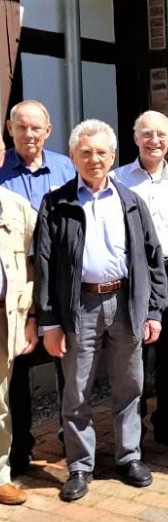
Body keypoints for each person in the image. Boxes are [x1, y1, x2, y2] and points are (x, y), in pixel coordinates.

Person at [34, 119, 167, 502]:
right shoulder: (57, 203)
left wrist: (154, 310)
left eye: (101, 152)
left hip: (126, 303)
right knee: (77, 390)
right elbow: (44, 264)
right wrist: (50, 321)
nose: (94, 159)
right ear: (74, 156)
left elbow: (153, 257)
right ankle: (79, 466)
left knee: (130, 386)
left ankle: (129, 457)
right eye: (85, 152)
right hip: (79, 307)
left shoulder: (130, 201)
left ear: (112, 156)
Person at [113, 111, 168, 450]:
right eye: (147, 134)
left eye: (161, 135)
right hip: (132, 273)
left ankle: (167, 422)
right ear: (135, 138)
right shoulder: (117, 179)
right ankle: (134, 431)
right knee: (132, 352)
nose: (154, 141)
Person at [0, 99, 76, 476]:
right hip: (17, 284)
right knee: (17, 367)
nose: (28, 134)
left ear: (48, 131)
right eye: (21, 127)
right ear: (10, 130)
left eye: (36, 128)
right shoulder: (1, 171)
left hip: (60, 283)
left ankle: (69, 437)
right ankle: (20, 449)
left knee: (66, 359)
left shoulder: (65, 167)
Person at [0, 186, 38, 505]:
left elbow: (33, 261)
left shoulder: (16, 205)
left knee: (0, 402)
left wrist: (32, 316)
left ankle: (0, 476)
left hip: (5, 316)